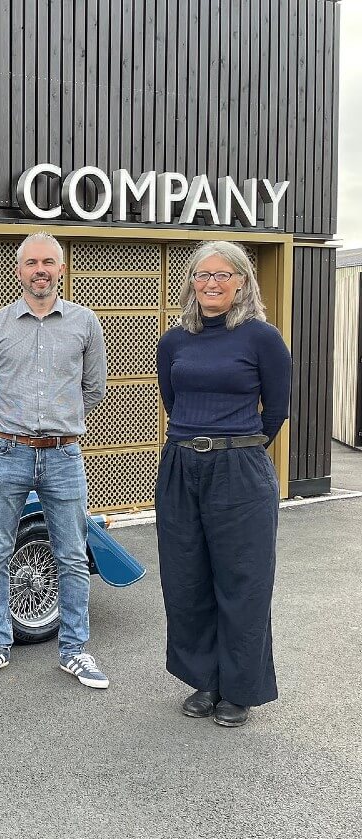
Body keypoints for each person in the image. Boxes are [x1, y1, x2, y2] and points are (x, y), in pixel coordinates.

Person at [0, 232, 109, 688]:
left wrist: (61, 424)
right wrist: (6, 426)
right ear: (19, 270)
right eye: (32, 263)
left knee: (70, 554)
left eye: (49, 262)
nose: (40, 270)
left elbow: (94, 390)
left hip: (64, 455)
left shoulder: (86, 324)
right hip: (6, 452)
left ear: (61, 269)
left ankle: (74, 650)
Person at [155, 240, 290, 727]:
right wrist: (196, 445)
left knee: (243, 581)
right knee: (187, 579)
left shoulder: (262, 338)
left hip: (239, 468)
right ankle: (205, 680)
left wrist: (238, 445)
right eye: (203, 274)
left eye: (223, 274)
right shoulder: (174, 341)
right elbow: (174, 402)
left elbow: (275, 410)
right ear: (192, 282)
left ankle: (240, 689)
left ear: (241, 282)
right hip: (180, 465)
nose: (212, 283)